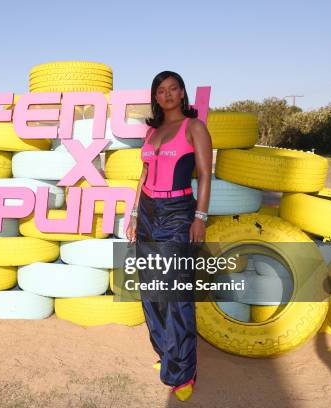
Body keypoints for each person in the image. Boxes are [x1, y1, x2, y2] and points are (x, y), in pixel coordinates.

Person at [126, 71, 212, 402]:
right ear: (156, 97)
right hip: (147, 212)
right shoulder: (152, 131)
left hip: (178, 213)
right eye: (161, 91)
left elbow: (205, 175)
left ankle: (183, 371)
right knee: (152, 290)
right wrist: (134, 214)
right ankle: (166, 353)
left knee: (176, 294)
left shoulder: (194, 127)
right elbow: (143, 174)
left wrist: (199, 217)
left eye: (173, 89)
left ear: (182, 93)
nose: (167, 95)